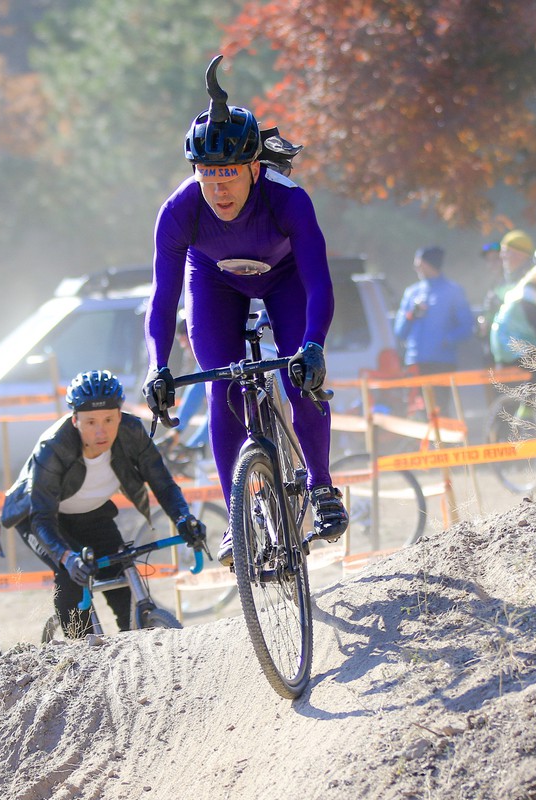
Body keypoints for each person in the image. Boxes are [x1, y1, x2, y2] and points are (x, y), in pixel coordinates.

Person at [140, 54, 348, 567]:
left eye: (230, 175)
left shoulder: (289, 201)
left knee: (303, 375)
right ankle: (243, 511)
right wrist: (157, 366)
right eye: (207, 176)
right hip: (215, 283)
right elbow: (164, 299)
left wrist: (314, 347)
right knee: (222, 385)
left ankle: (320, 486)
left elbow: (319, 280)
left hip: (285, 281)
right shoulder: (178, 212)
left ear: (256, 168)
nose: (219, 189)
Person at [1, 370, 206, 637]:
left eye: (109, 419)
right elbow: (41, 518)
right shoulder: (53, 447)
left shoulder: (132, 433)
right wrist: (68, 558)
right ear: (75, 420)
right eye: (91, 422)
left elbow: (163, 484)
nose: (101, 431)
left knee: (121, 571)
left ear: (120, 416)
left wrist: (183, 519)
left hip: (92, 515)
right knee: (71, 576)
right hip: (42, 519)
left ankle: (135, 643)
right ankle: (80, 656)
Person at [393, 246, 475, 417]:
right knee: (418, 410)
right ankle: (425, 443)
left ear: (429, 264)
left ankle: (444, 444)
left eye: (419, 264)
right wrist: (411, 315)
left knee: (440, 409)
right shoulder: (412, 292)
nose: (416, 268)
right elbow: (399, 331)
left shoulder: (453, 291)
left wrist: (447, 340)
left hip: (442, 361)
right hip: (415, 361)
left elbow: (467, 327)